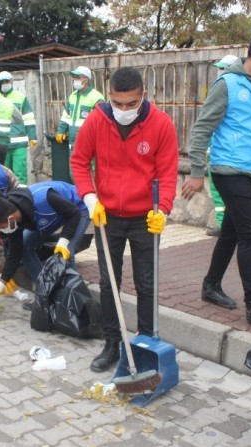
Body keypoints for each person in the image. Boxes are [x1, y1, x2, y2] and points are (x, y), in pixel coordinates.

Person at [182, 26, 251, 325]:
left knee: (231, 232)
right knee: (249, 233)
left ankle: (211, 285)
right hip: (227, 170)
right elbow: (202, 129)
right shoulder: (228, 84)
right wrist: (195, 172)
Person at [70, 67, 179, 372]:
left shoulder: (161, 124)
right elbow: (79, 161)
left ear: (143, 96)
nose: (124, 110)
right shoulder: (97, 120)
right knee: (109, 283)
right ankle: (112, 344)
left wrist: (163, 209)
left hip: (145, 217)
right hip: (108, 217)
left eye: (131, 104)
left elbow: (167, 173)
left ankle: (145, 344)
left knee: (147, 283)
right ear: (109, 97)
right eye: (117, 104)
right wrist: (90, 198)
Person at [0, 181, 90, 288]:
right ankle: (45, 292)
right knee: (25, 247)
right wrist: (0, 285)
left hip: (78, 208)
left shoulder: (44, 198)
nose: (4, 231)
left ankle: (75, 297)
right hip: (52, 215)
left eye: (2, 227)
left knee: (67, 251)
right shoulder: (13, 220)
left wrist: (63, 240)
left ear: (10, 219)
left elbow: (74, 213)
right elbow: (14, 253)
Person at [206, 54, 240, 236]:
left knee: (225, 195)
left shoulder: (229, 90)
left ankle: (226, 228)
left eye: (223, 68)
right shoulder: (220, 89)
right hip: (217, 152)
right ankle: (224, 227)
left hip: (226, 155)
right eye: (219, 68)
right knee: (219, 194)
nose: (219, 72)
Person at [55, 65, 104, 159]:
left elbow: (100, 123)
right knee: (73, 170)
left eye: (78, 77)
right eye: (74, 77)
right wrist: (60, 131)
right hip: (73, 143)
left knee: (89, 171)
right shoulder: (72, 96)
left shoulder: (97, 98)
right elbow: (66, 117)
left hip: (89, 143)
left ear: (86, 79)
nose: (74, 80)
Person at [0, 71, 37, 184]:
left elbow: (28, 118)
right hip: (2, 143)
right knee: (3, 175)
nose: (5, 84)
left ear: (11, 81)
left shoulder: (20, 97)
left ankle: (22, 198)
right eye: (2, 82)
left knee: (20, 175)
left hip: (19, 143)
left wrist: (32, 136)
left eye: (7, 81)